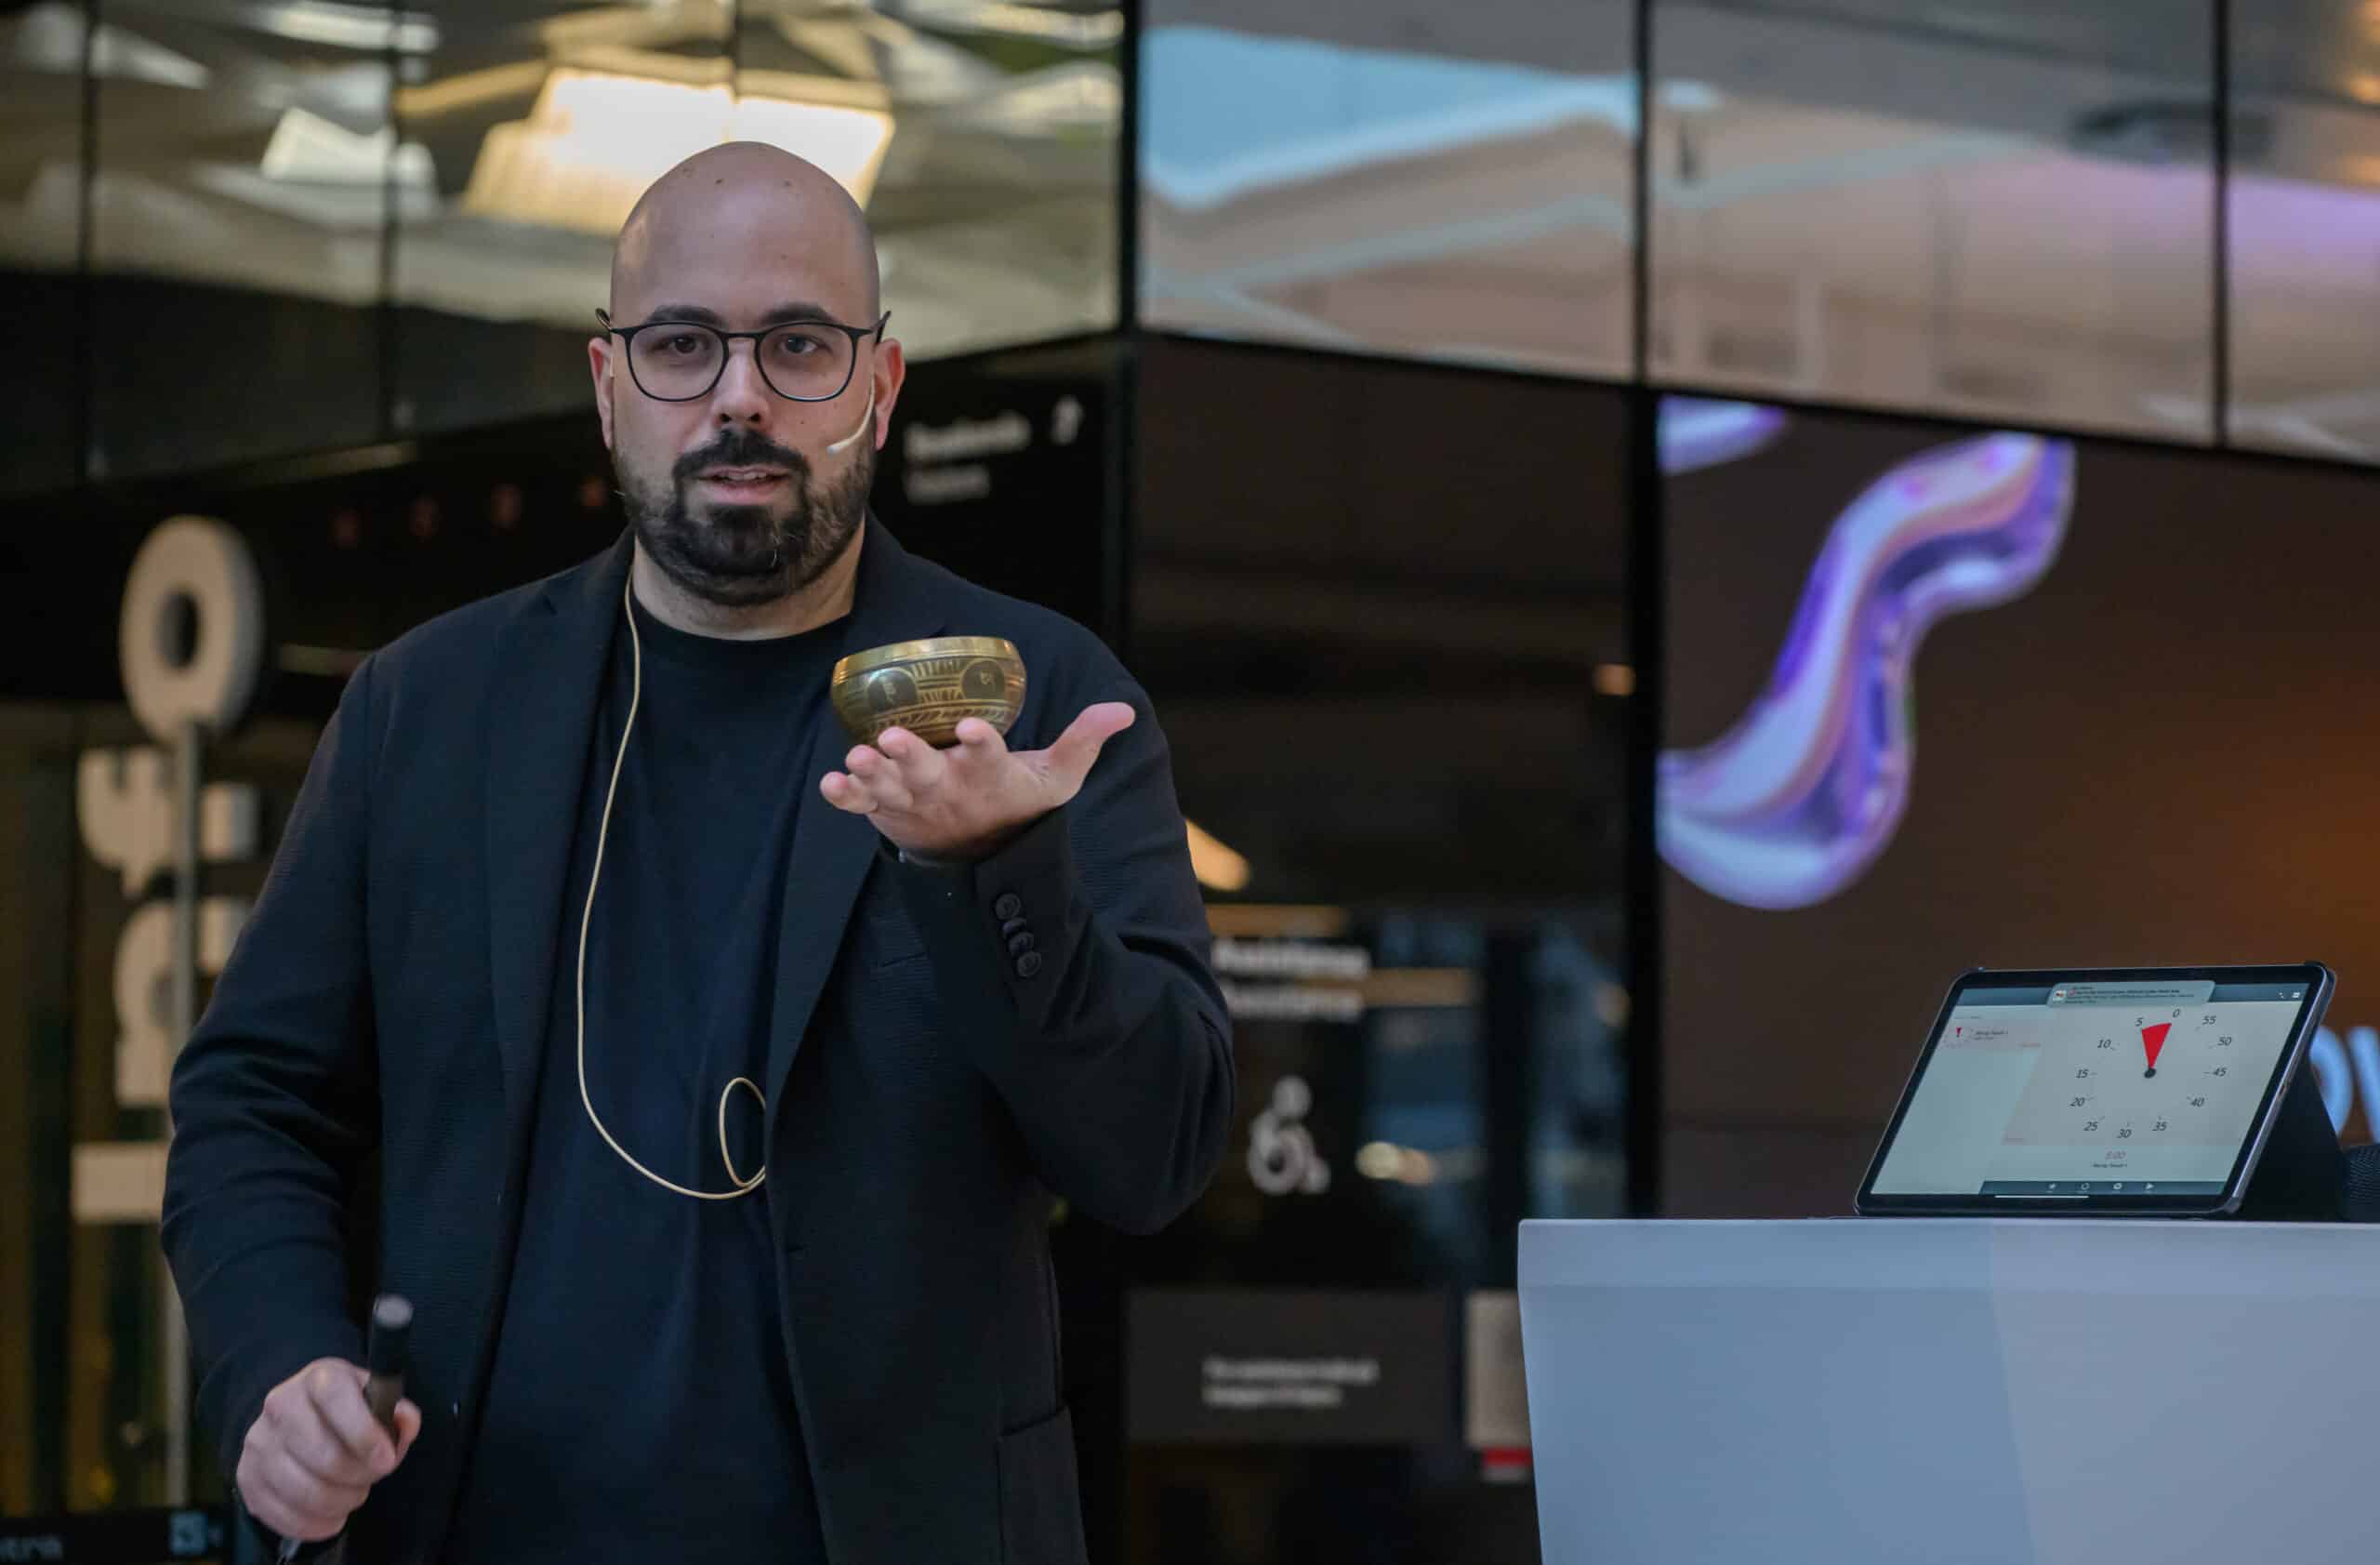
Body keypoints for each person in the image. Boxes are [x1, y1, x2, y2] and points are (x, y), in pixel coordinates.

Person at [161, 142, 1234, 1564]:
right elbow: (252, 1103)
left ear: (880, 386)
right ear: (609, 387)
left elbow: (1154, 1159)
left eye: (799, 345)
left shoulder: (1033, 701)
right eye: (681, 346)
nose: (740, 397)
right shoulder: (429, 709)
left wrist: (996, 871)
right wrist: (279, 1366)